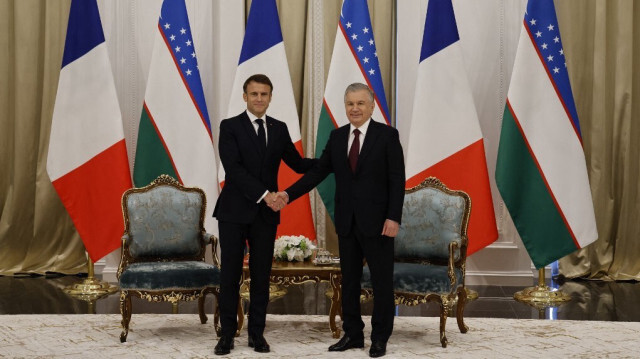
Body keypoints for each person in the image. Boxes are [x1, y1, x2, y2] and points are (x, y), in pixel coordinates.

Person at [277, 83, 405, 358]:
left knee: (382, 283)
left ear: (371, 106)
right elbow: (317, 173)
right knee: (349, 282)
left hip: (379, 223)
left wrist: (393, 217)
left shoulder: (387, 136)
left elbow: (397, 180)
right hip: (346, 222)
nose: (355, 109)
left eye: (360, 103)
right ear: (345, 107)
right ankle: (353, 334)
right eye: (350, 104)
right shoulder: (337, 137)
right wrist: (288, 194)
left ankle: (380, 337)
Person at [213, 74, 317, 355]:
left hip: (264, 216)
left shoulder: (279, 129)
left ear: (271, 97)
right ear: (245, 97)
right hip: (234, 212)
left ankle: (257, 334)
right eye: (254, 94)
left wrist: (330, 161)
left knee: (261, 276)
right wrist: (265, 195)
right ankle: (227, 335)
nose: (259, 99)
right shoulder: (230, 126)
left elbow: (297, 164)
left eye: (264, 94)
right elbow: (233, 169)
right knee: (230, 275)